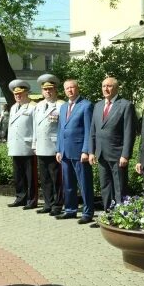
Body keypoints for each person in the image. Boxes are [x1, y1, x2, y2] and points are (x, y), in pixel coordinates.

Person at [89, 77, 136, 213]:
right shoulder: (98, 106)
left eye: (109, 86)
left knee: (119, 187)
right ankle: (108, 214)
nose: (106, 89)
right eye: (104, 86)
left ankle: (121, 215)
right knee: (105, 186)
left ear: (116, 88)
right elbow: (93, 131)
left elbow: (129, 132)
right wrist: (91, 151)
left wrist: (125, 155)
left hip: (117, 154)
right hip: (101, 153)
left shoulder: (126, 105)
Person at [55, 79, 95, 223]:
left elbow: (89, 130)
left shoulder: (86, 105)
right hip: (65, 152)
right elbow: (60, 129)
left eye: (72, 87)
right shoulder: (64, 106)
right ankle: (70, 210)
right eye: (67, 88)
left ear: (77, 89)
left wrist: (86, 150)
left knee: (84, 184)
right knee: (68, 184)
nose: (70, 90)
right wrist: (59, 149)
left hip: (79, 152)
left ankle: (88, 212)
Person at [32, 74, 65, 215]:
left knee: (56, 178)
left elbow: (63, 128)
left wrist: (61, 148)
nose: (48, 92)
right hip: (41, 147)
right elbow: (35, 126)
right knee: (44, 178)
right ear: (42, 91)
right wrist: (34, 144)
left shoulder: (61, 105)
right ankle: (48, 203)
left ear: (55, 90)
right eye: (45, 90)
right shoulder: (38, 106)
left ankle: (57, 205)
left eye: (50, 89)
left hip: (54, 147)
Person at [6, 79, 38, 209]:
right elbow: (10, 126)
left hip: (28, 146)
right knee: (18, 175)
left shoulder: (33, 107)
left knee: (30, 176)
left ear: (26, 93)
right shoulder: (13, 107)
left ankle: (32, 199)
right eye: (15, 94)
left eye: (20, 93)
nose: (18, 96)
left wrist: (35, 144)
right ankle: (20, 197)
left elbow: (36, 127)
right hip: (15, 146)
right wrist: (9, 143)